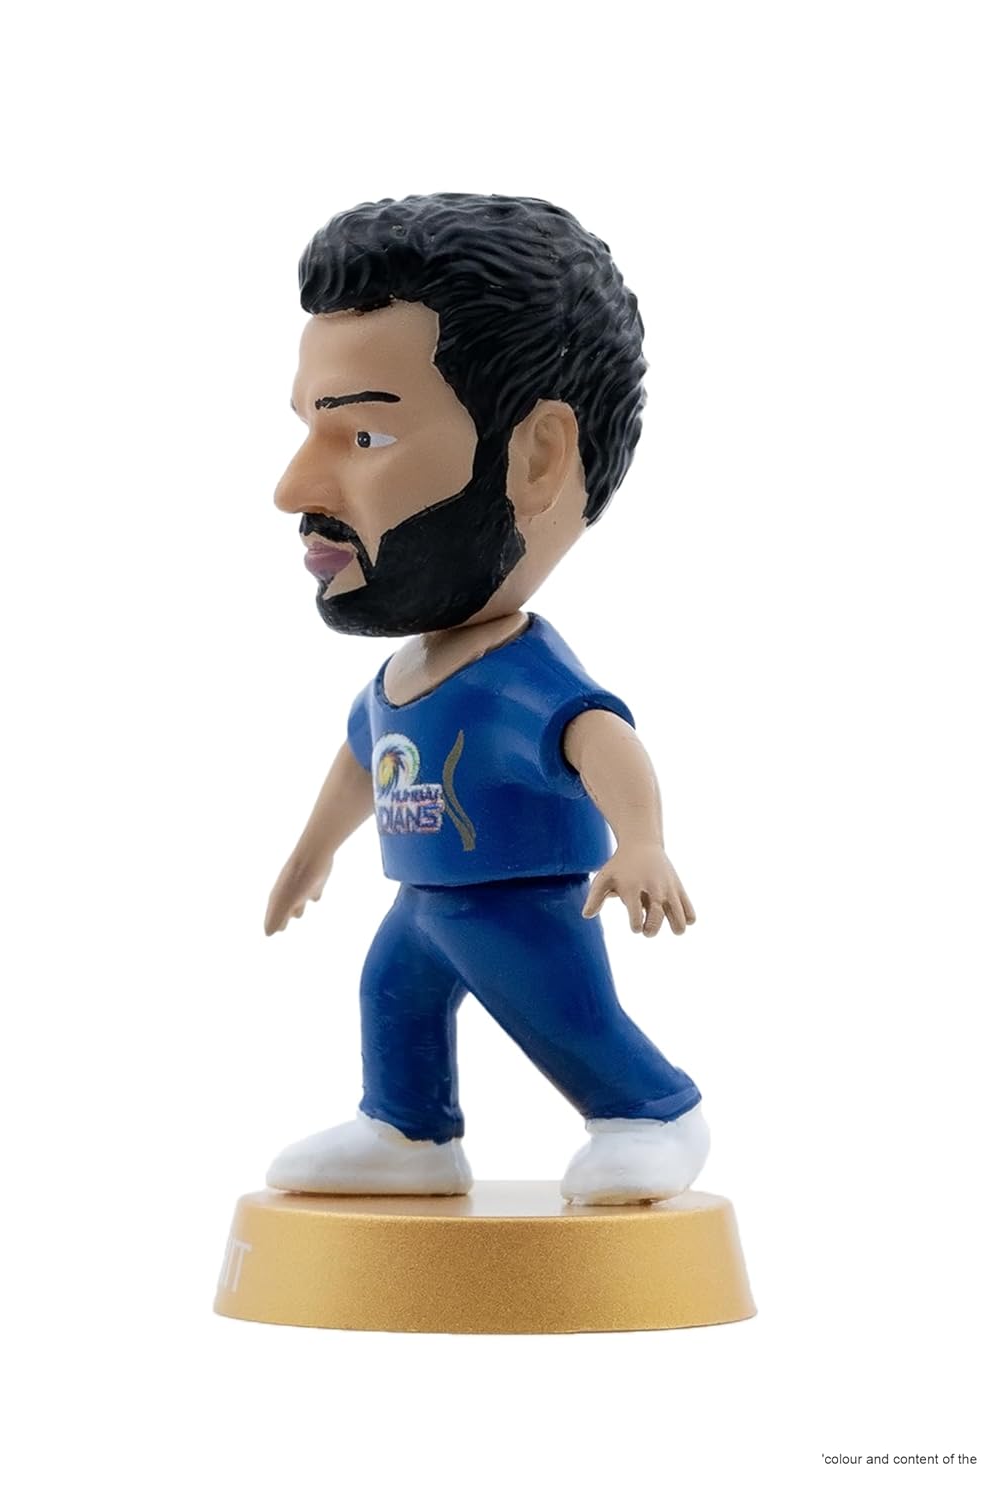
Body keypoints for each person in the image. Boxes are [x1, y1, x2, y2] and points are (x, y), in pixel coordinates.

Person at [262, 193, 708, 1204]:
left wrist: (641, 842)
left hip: (521, 902)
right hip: (423, 900)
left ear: (536, 456)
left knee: (562, 1014)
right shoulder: (400, 676)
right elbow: (364, 761)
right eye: (307, 431)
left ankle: (654, 1111)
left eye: (363, 437)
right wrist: (311, 853)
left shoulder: (517, 673)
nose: (292, 490)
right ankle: (408, 1131)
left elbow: (601, 736)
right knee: (392, 996)